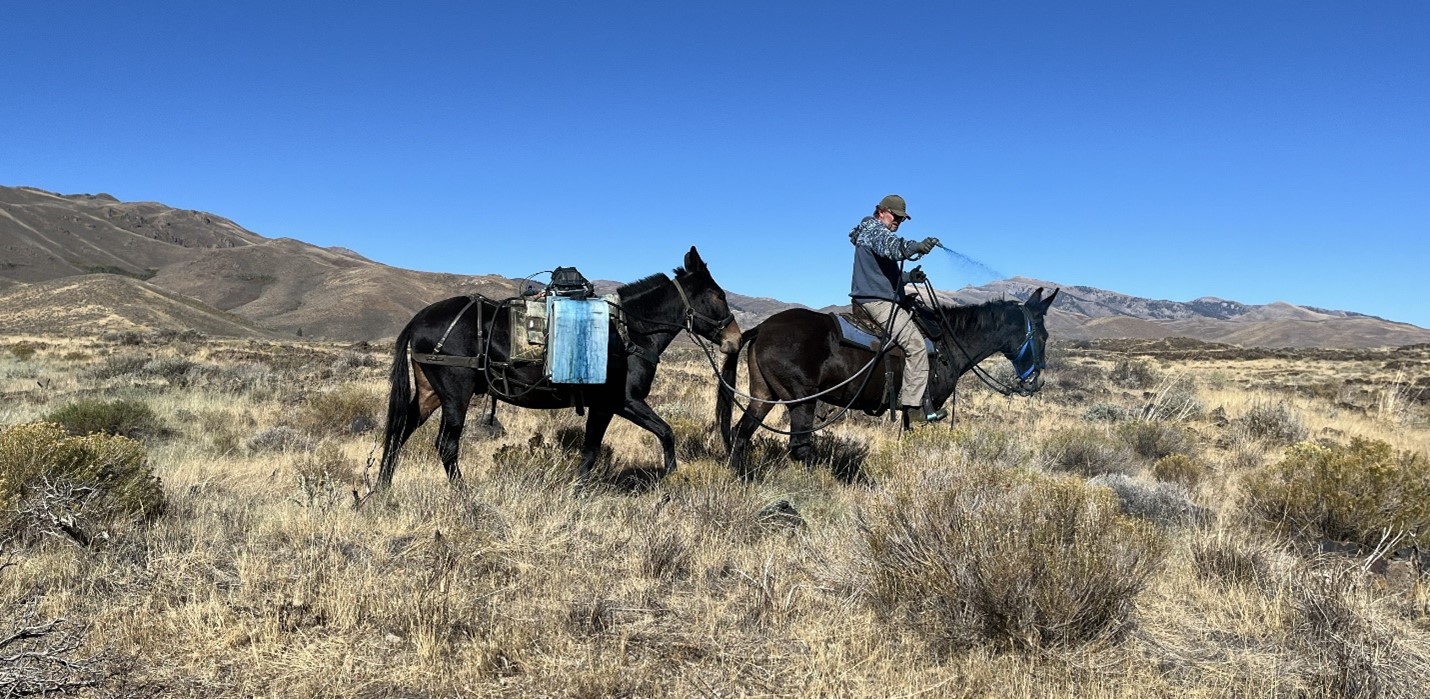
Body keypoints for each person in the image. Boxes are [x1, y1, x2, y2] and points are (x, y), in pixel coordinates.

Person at [848, 194, 947, 423]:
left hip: (879, 298)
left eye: (902, 219)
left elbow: (885, 274)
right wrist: (916, 246)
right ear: (882, 211)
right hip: (877, 303)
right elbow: (894, 248)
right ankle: (913, 408)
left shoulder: (873, 234)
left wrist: (908, 277)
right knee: (916, 345)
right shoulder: (874, 231)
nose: (898, 222)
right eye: (896, 217)